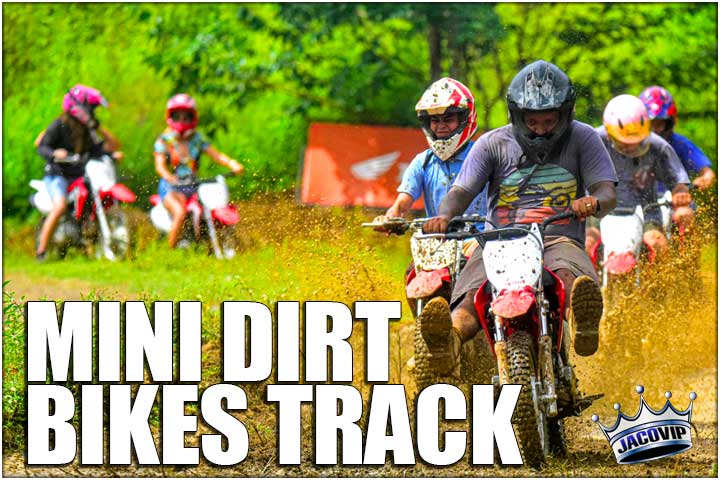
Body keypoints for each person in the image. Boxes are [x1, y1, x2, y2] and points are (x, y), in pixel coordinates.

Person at [420, 60, 617, 379]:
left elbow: (607, 191)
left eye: (549, 121)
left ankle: (582, 322)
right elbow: (461, 191)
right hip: (499, 241)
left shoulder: (583, 139)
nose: (541, 130)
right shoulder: (492, 143)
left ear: (565, 114)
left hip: (558, 237)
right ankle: (450, 341)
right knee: (474, 294)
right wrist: (444, 215)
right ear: (518, 116)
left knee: (569, 274)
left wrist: (593, 200)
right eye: (533, 121)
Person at [585, 94, 691, 258]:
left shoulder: (658, 146)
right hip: (597, 208)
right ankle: (588, 282)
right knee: (586, 242)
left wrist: (680, 192)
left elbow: (679, 181)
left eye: (636, 138)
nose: (630, 145)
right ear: (609, 130)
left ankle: (665, 282)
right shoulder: (591, 141)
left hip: (646, 209)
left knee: (658, 243)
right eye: (624, 140)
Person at [35, 84, 122, 261]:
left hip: (78, 175)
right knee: (59, 206)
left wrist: (110, 152)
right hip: (57, 174)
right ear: (79, 108)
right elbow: (42, 147)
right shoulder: (59, 125)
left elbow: (99, 150)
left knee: (92, 198)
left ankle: (87, 239)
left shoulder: (86, 131)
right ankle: (41, 251)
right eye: (91, 109)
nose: (93, 113)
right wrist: (54, 153)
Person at [154, 93, 244, 248]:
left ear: (192, 118)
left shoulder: (197, 139)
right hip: (171, 188)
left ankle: (207, 244)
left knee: (211, 207)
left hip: (194, 185)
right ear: (171, 117)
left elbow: (216, 155)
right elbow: (160, 166)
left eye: (186, 117)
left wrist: (232, 163)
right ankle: (169, 253)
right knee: (180, 213)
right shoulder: (164, 140)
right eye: (177, 116)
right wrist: (169, 177)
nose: (182, 121)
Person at [639, 86, 716, 191]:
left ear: (670, 123)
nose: (654, 130)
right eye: (650, 124)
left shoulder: (681, 144)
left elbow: (708, 173)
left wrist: (703, 180)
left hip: (676, 200)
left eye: (659, 124)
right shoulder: (631, 146)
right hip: (640, 204)